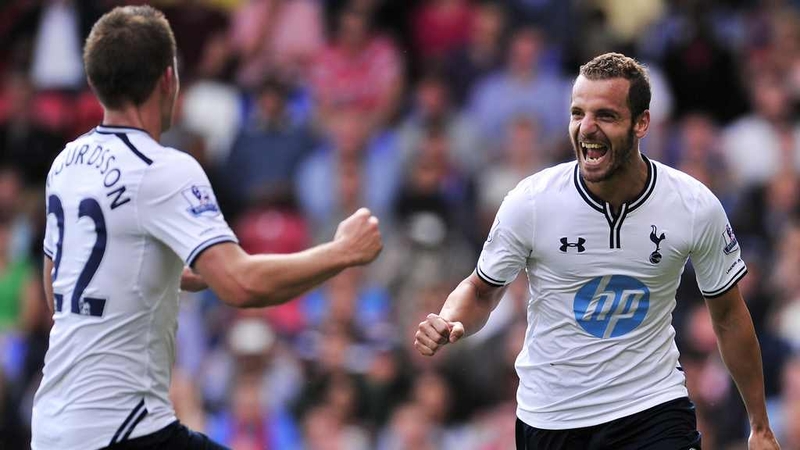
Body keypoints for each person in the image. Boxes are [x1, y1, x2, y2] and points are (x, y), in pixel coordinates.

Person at [31, 6, 382, 450]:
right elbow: (241, 285)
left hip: (52, 426)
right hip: (123, 428)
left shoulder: (66, 164)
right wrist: (342, 252)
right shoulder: (164, 170)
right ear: (168, 80)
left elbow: (57, 288)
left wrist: (156, 274)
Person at [415, 52, 781, 449]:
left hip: (653, 409)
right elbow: (481, 290)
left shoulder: (693, 204)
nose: (586, 128)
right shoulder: (531, 202)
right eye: (577, 113)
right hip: (552, 419)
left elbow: (728, 316)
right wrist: (450, 319)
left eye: (605, 115)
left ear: (642, 123)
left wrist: (759, 425)